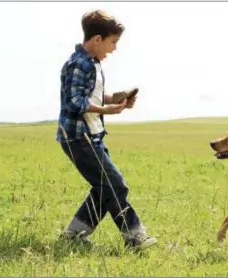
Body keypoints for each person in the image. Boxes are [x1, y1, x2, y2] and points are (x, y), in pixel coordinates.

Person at [56, 9, 156, 251]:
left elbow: (93, 95)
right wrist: (107, 110)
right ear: (97, 39)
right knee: (115, 185)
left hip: (91, 136)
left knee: (105, 187)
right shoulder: (81, 63)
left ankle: (73, 236)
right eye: (113, 42)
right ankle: (135, 237)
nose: (114, 48)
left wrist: (116, 98)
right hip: (78, 137)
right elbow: (75, 101)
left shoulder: (92, 63)